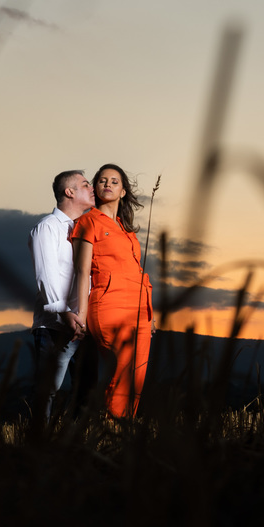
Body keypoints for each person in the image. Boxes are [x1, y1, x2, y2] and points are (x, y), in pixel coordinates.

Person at [70, 163, 152, 418]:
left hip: (140, 310)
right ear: (95, 187)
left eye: (114, 181)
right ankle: (109, 427)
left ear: (123, 191)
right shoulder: (87, 222)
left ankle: (121, 431)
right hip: (109, 304)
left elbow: (136, 271)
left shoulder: (128, 231)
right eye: (102, 180)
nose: (108, 184)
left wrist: (151, 313)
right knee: (122, 369)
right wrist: (80, 313)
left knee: (137, 374)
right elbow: (82, 271)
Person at [29, 169, 96, 419]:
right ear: (69, 192)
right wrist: (65, 314)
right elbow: (45, 275)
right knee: (47, 391)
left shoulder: (85, 230)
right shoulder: (47, 227)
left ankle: (76, 445)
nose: (92, 189)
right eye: (85, 184)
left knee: (87, 391)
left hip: (85, 325)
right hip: (55, 328)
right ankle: (39, 445)